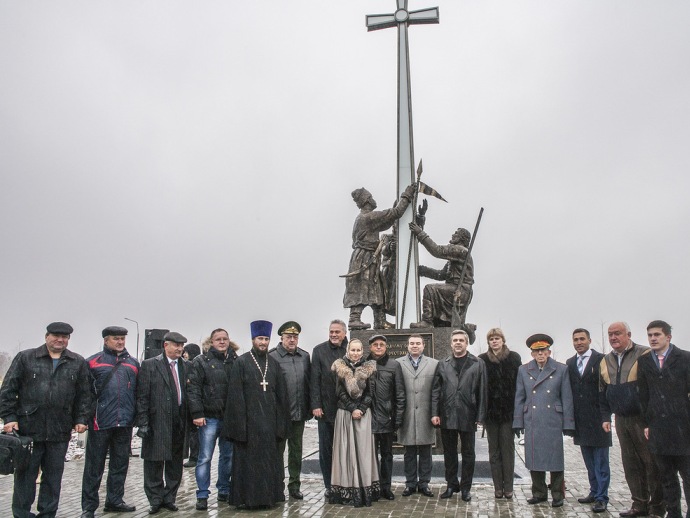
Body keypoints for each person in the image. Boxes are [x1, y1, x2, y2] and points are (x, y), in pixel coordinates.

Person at [0, 322, 91, 518]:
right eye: (56, 336)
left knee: (53, 478)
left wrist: (81, 418)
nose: (60, 340)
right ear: (46, 337)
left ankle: (48, 514)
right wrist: (9, 417)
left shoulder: (77, 362)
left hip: (60, 430)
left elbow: (84, 395)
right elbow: (8, 390)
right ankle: (22, 514)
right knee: (25, 476)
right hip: (28, 429)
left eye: (64, 337)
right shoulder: (26, 358)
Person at [223, 320, 290, 509]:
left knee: (268, 463)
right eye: (260, 338)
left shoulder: (274, 365)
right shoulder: (242, 362)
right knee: (248, 464)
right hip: (249, 425)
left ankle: (268, 498)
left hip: (269, 424)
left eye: (266, 339)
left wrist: (280, 424)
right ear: (253, 339)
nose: (263, 342)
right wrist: (240, 427)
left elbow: (282, 397)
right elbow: (235, 397)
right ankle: (247, 499)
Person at [599, 321, 664, 517]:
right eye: (610, 334)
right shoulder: (606, 360)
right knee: (630, 465)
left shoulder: (644, 354)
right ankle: (639, 504)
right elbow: (602, 391)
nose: (613, 338)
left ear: (628, 334)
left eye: (617, 333)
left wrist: (650, 419)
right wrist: (605, 416)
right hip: (621, 418)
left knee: (651, 464)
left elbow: (654, 388)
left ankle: (658, 507)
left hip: (642, 418)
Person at [81, 326, 139, 517]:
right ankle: (89, 507)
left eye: (122, 339)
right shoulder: (92, 362)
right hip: (100, 422)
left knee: (120, 464)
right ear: (106, 340)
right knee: (94, 466)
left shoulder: (133, 363)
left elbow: (138, 392)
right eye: (116, 339)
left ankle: (114, 500)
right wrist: (84, 417)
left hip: (124, 423)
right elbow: (84, 394)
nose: (120, 342)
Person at [513, 333, 575, 507]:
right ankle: (539, 492)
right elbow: (520, 396)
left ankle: (557, 494)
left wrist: (568, 423)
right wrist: (518, 421)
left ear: (549, 352)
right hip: (533, 418)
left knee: (555, 459)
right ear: (532, 353)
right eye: (537, 351)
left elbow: (567, 397)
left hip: (553, 419)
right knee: (534, 457)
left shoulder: (561, 369)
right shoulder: (523, 370)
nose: (540, 354)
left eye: (543, 350)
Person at [343, 184, 416, 330]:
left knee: (378, 289)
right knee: (362, 288)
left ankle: (380, 321)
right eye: (371, 197)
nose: (373, 200)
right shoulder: (368, 217)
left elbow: (388, 220)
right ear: (367, 201)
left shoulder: (365, 218)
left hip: (369, 257)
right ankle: (354, 318)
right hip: (365, 258)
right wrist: (407, 195)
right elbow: (395, 213)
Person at [637, 320, 690, 518]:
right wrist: (646, 423)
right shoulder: (644, 362)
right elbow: (643, 394)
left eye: (657, 335)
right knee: (666, 477)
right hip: (658, 428)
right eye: (650, 335)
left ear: (668, 337)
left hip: (683, 428)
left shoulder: (684, 358)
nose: (653, 338)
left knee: (688, 476)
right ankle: (673, 512)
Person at [135, 331, 189, 515]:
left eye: (182, 345)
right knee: (154, 463)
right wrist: (143, 422)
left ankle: (169, 497)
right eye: (176, 345)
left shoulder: (186, 366)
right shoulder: (150, 365)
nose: (180, 349)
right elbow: (142, 396)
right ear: (166, 345)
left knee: (175, 464)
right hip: (157, 421)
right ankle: (155, 499)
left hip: (179, 421)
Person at [431, 329, 486, 502]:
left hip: (468, 413)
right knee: (449, 452)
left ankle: (465, 488)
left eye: (461, 340)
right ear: (451, 343)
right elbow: (436, 390)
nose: (458, 343)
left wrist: (481, 415)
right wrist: (435, 413)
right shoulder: (443, 363)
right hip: (447, 413)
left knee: (468, 453)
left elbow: (483, 390)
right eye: (455, 340)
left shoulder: (477, 363)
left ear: (466, 342)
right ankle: (451, 485)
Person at [187, 328, 239, 510]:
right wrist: (197, 413)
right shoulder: (201, 362)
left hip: (229, 418)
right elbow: (193, 389)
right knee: (205, 457)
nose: (222, 342)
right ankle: (202, 494)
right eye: (218, 339)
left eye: (225, 338)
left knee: (228, 456)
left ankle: (224, 489)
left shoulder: (236, 361)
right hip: (208, 418)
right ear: (212, 341)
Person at [330, 338, 380, 507]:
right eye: (353, 350)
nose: (356, 353)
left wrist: (362, 408)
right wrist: (352, 408)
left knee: (363, 452)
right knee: (345, 452)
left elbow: (371, 392)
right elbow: (339, 392)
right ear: (348, 350)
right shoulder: (339, 367)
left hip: (363, 415)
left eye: (359, 350)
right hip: (345, 414)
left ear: (362, 351)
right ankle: (347, 489)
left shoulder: (369, 367)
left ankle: (365, 490)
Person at [566, 328, 611, 513]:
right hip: (581, 420)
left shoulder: (601, 360)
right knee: (589, 461)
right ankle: (593, 491)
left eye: (582, 339)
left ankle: (602, 497)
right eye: (575, 339)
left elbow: (606, 389)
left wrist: (606, 417)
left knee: (601, 461)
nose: (579, 342)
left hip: (599, 419)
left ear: (590, 340)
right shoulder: (570, 363)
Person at [477, 327, 522, 500]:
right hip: (491, 413)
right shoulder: (482, 360)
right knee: (493, 451)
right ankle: (497, 487)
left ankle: (508, 487)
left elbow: (519, 386)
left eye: (497, 338)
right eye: (491, 339)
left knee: (507, 450)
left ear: (503, 340)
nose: (494, 341)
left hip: (508, 413)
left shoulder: (513, 357)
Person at [269, 321, 311, 500]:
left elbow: (308, 383)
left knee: (296, 451)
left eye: (295, 337)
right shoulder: (273, 357)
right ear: (282, 338)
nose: (292, 340)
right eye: (288, 337)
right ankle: (277, 485)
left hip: (299, 413)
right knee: (277, 452)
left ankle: (295, 485)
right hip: (280, 415)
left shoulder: (304, 356)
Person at [396, 333, 438, 497]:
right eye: (412, 343)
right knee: (409, 452)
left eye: (418, 343)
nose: (414, 346)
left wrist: (435, 412)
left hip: (426, 414)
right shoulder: (398, 363)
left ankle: (424, 483)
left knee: (426, 451)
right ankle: (410, 483)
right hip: (407, 414)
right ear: (407, 345)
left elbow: (436, 391)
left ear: (423, 346)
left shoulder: (434, 364)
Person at [409, 223, 473, 329]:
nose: (453, 235)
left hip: (461, 290)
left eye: (456, 234)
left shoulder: (460, 250)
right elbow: (441, 275)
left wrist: (420, 233)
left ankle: (427, 321)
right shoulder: (455, 256)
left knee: (430, 289)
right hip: (456, 288)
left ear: (462, 238)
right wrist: (423, 270)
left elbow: (437, 251)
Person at [310, 319, 348, 498]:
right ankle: (329, 485)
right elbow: (314, 380)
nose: (334, 334)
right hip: (325, 409)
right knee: (326, 450)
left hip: (346, 409)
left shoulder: (352, 349)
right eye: (331, 331)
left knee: (345, 449)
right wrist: (316, 404)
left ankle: (345, 483)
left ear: (344, 333)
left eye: (337, 332)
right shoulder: (319, 351)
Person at [366, 334, 405, 500]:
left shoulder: (394, 366)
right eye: (376, 344)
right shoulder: (364, 365)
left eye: (382, 344)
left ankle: (386, 487)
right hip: (368, 419)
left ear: (386, 347)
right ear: (370, 347)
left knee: (387, 455)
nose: (379, 347)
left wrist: (397, 419)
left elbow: (400, 394)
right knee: (370, 455)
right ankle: (373, 486)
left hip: (387, 418)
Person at [182, 342, 201, 469]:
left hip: (193, 406)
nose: (184, 354)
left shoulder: (194, 366)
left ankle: (194, 456)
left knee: (194, 434)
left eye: (186, 352)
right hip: (189, 405)